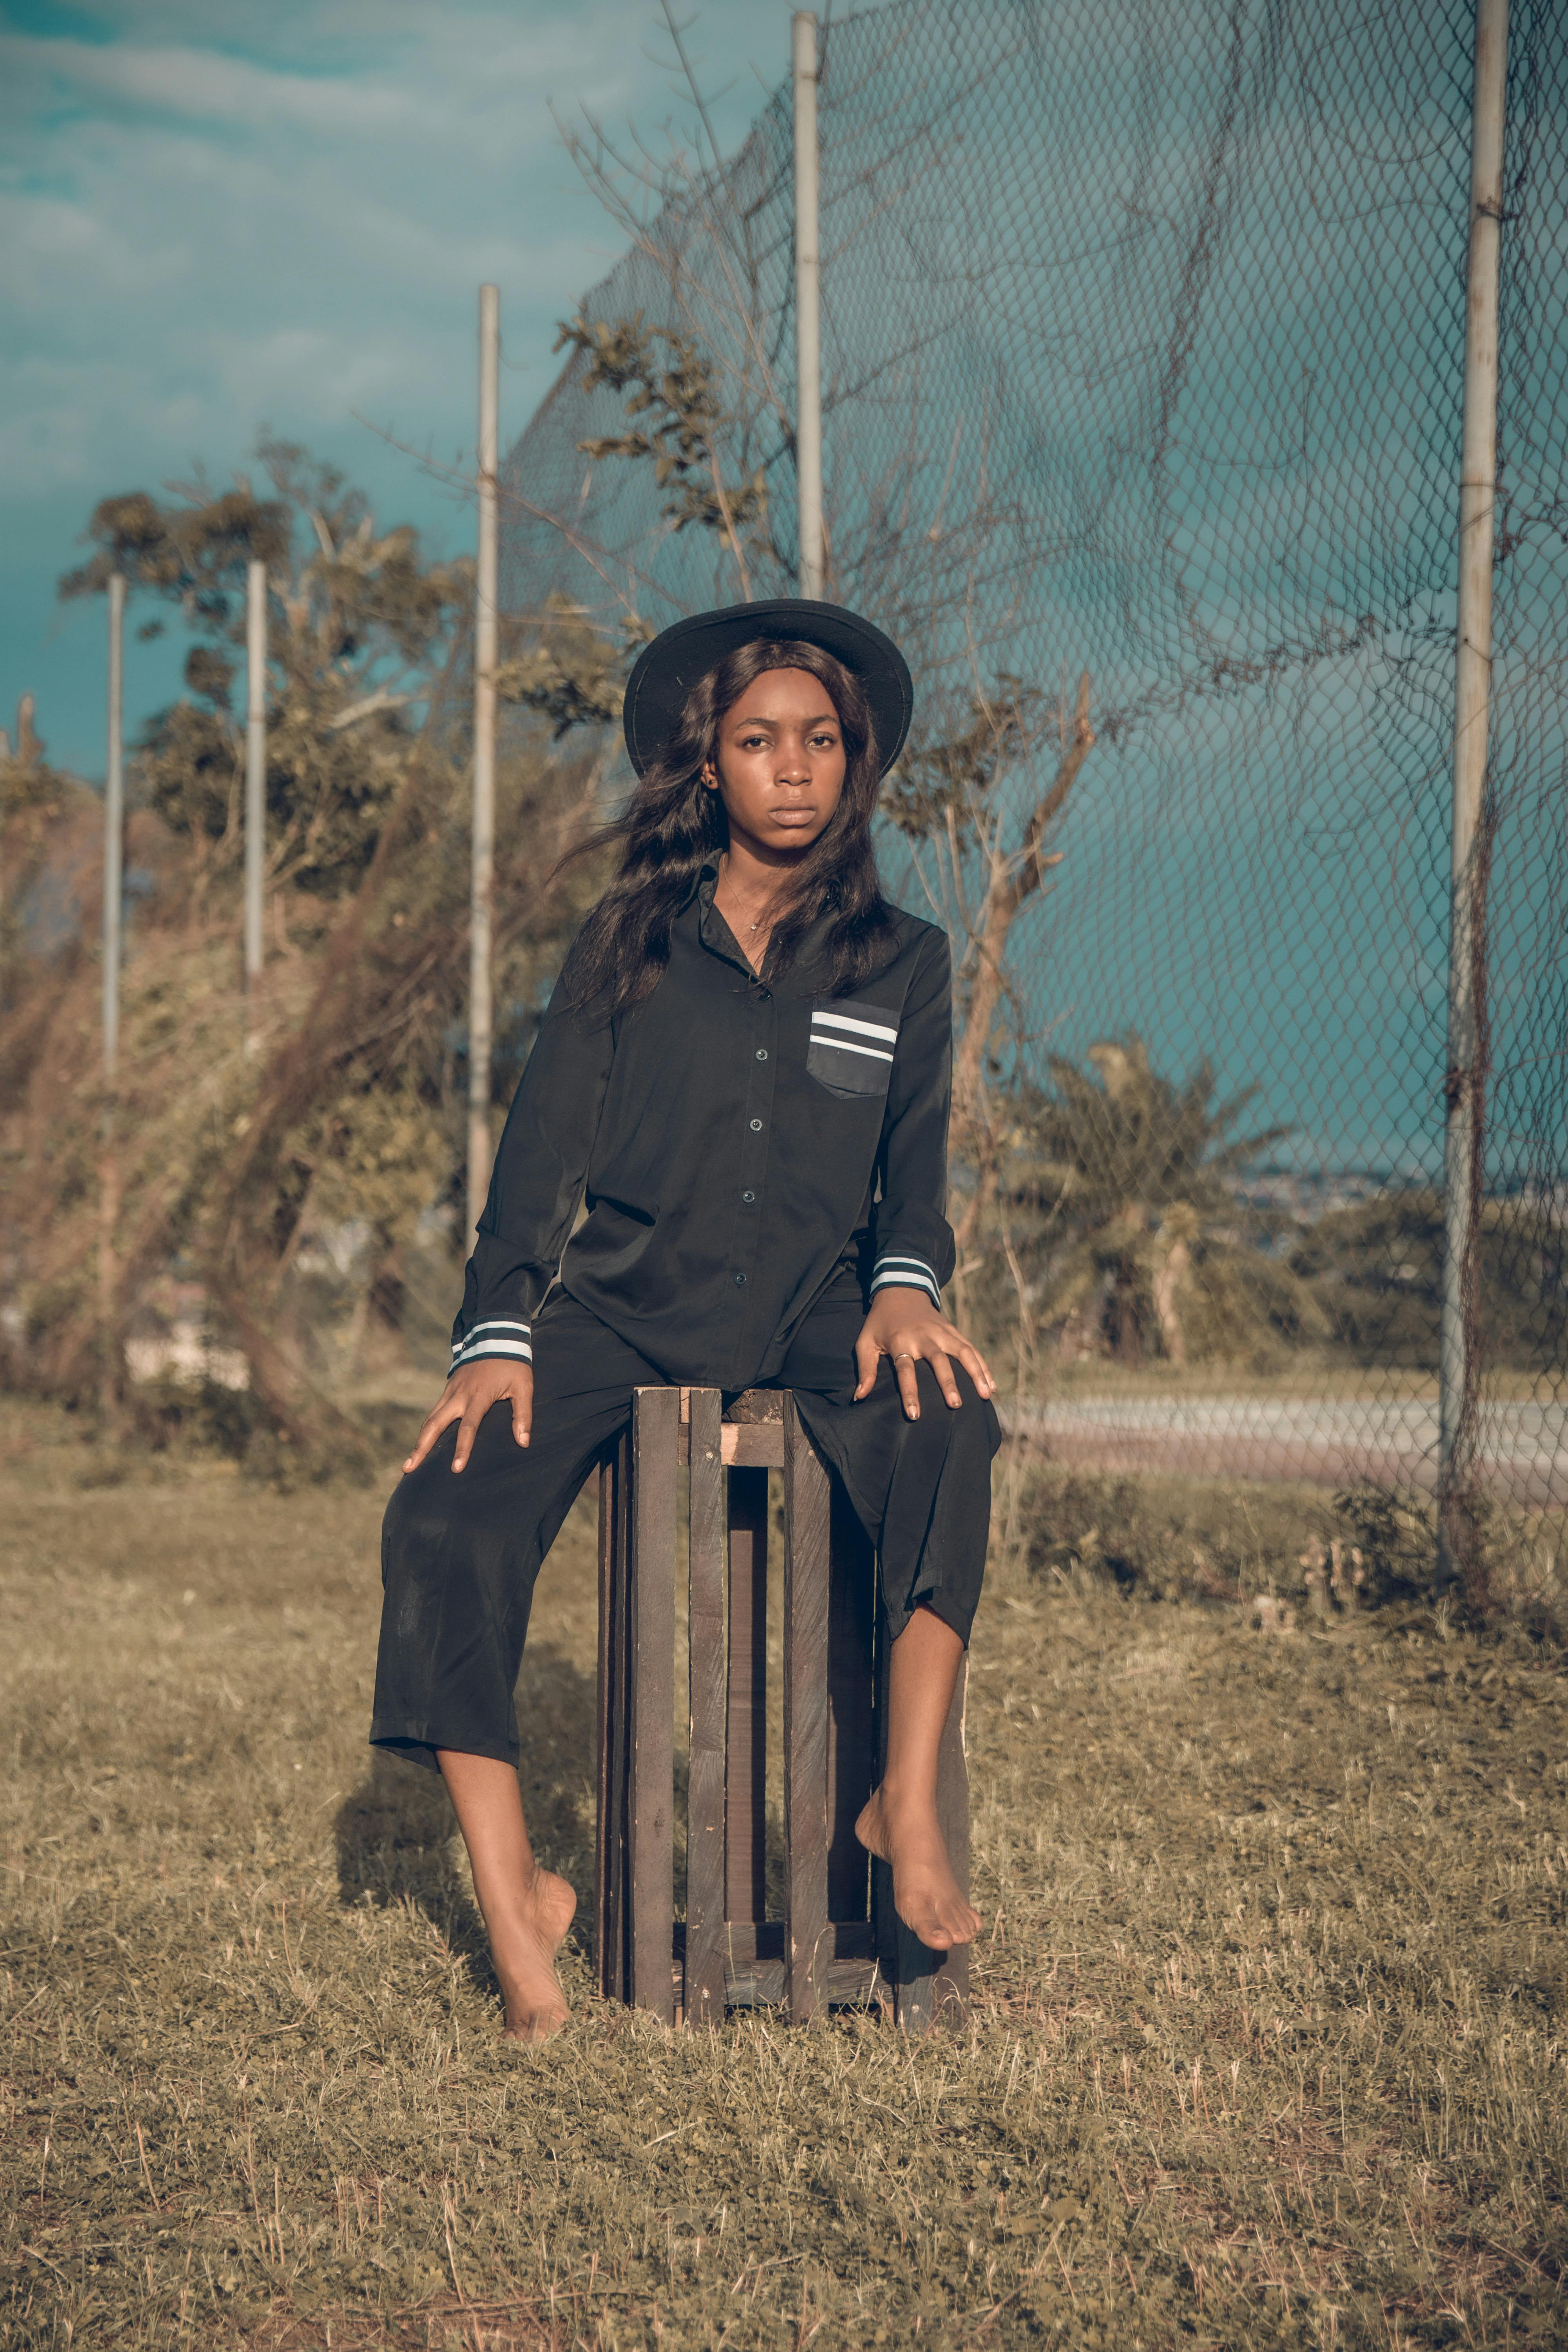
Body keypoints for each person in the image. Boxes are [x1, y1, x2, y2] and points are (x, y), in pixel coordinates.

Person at [371, 598, 1001, 2039]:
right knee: (444, 1512)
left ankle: (900, 1801)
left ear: (855, 765)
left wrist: (907, 1290)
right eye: (760, 740)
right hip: (624, 1309)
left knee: (951, 1421)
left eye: (822, 741)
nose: (794, 766)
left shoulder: (902, 960)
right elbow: (540, 1158)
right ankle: (520, 1911)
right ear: (705, 765)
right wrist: (494, 1339)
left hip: (813, 1311)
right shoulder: (630, 937)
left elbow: (916, 1178)